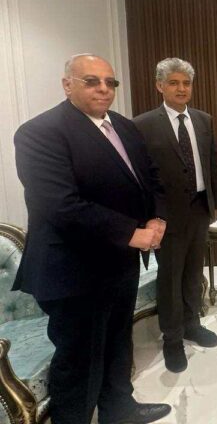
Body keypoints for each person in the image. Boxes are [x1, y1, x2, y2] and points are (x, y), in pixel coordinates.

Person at [13, 54, 171, 424]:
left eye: (110, 82)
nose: (104, 89)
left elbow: (149, 177)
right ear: (67, 84)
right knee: (79, 361)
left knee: (118, 344)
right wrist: (131, 233)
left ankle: (119, 410)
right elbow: (60, 205)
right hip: (73, 270)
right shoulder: (40, 133)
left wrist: (157, 216)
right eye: (91, 81)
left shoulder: (123, 126)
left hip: (120, 263)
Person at [133, 58, 217, 373]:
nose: (181, 89)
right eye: (173, 83)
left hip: (199, 209)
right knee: (170, 278)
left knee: (193, 272)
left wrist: (216, 203)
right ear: (160, 86)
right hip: (166, 216)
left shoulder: (203, 120)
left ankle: (192, 324)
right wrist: (148, 217)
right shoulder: (143, 125)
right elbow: (141, 177)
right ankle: (172, 339)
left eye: (186, 83)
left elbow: (212, 164)